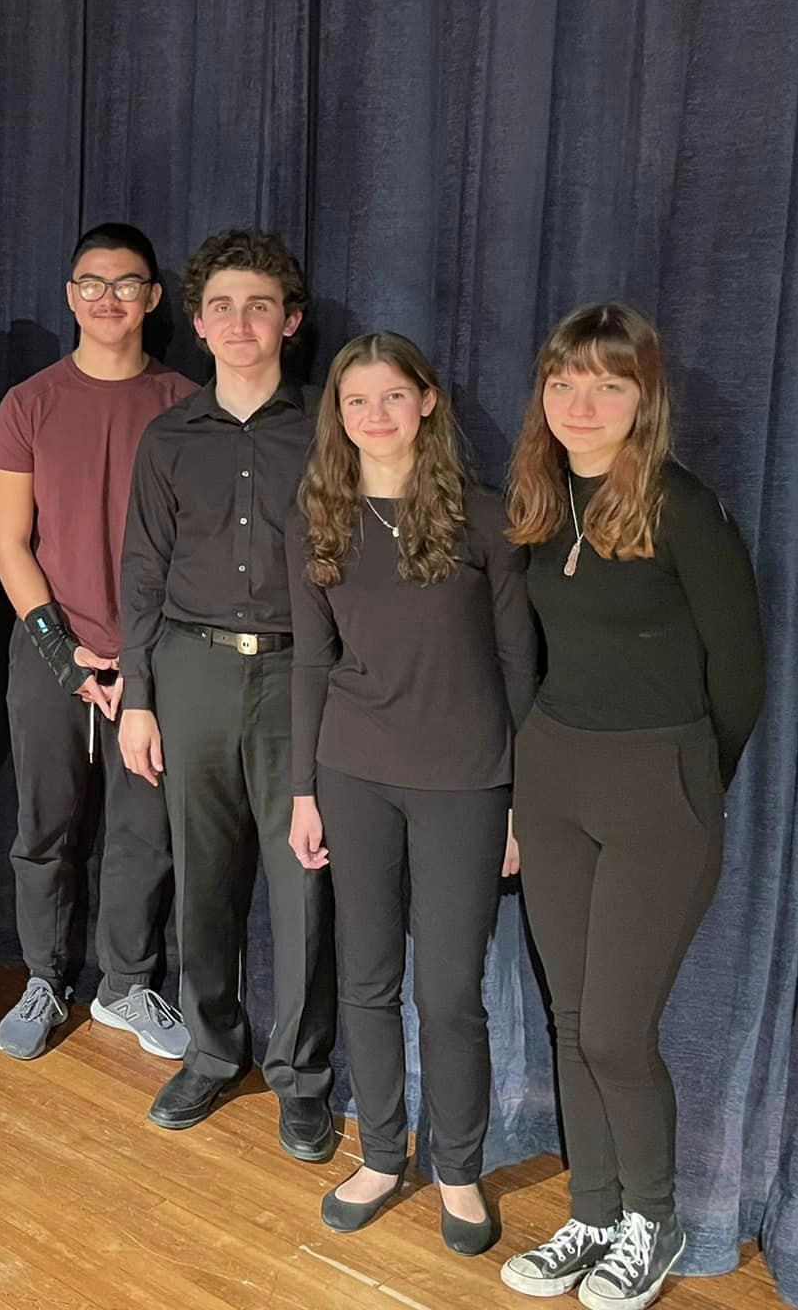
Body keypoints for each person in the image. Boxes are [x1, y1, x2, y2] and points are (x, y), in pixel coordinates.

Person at [498, 304, 765, 1310]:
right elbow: (526, 659)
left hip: (659, 784)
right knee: (568, 1019)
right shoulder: (534, 496)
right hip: (552, 777)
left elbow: (739, 673)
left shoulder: (679, 507)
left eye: (608, 385)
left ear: (643, 398)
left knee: (614, 1028)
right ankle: (593, 1210)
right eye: (564, 382)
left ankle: (651, 1220)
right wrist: (522, 798)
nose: (582, 403)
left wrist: (690, 785)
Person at [283, 333, 536, 1255]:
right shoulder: (318, 518)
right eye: (357, 401)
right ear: (338, 416)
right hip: (352, 773)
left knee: (449, 991)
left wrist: (520, 804)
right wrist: (303, 790)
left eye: (393, 397)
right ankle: (382, 1153)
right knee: (365, 976)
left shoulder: (485, 521)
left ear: (426, 403)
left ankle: (458, 1172)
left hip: (468, 783)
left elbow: (520, 670)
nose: (375, 416)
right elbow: (312, 660)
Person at [118, 227, 336, 1155]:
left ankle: (303, 1076)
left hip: (300, 672)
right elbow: (141, 570)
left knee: (304, 885)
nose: (239, 323)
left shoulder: (332, 427)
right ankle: (213, 1053)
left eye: (259, 306)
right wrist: (137, 693)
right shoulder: (168, 437)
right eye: (220, 307)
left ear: (288, 321)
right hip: (192, 670)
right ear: (198, 326)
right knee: (203, 878)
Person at [0, 222, 195, 1061]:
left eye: (126, 283)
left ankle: (127, 985)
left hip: (157, 659)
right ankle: (44, 975)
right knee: (46, 822)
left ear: (151, 297)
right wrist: (61, 653)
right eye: (91, 284)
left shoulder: (186, 404)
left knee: (146, 829)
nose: (108, 299)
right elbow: (10, 543)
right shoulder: (29, 403)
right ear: (70, 296)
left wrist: (140, 661)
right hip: (53, 655)